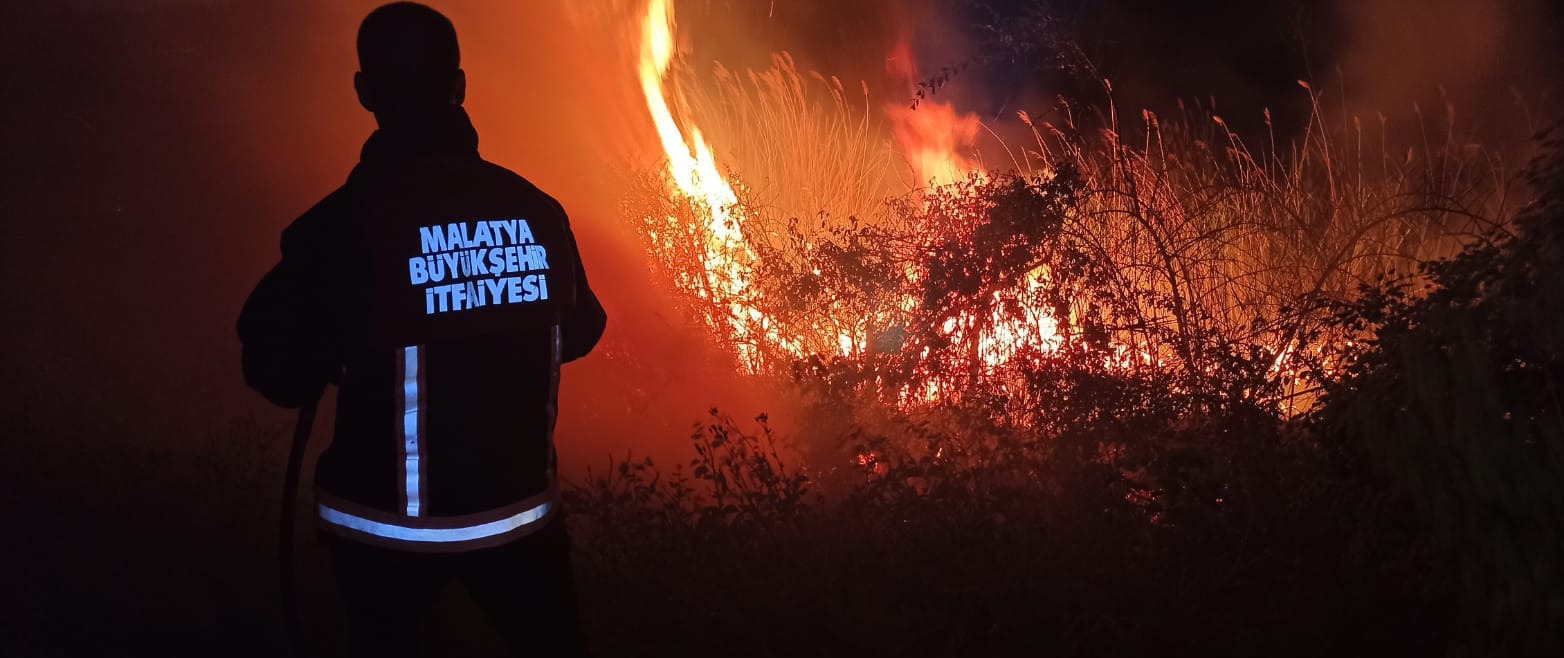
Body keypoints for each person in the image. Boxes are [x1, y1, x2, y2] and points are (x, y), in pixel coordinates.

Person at [237, 3, 605, 656]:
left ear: (365, 92)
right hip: (519, 522)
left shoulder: (335, 229)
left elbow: (274, 368)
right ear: (459, 86)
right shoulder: (537, 212)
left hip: (386, 537)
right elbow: (580, 332)